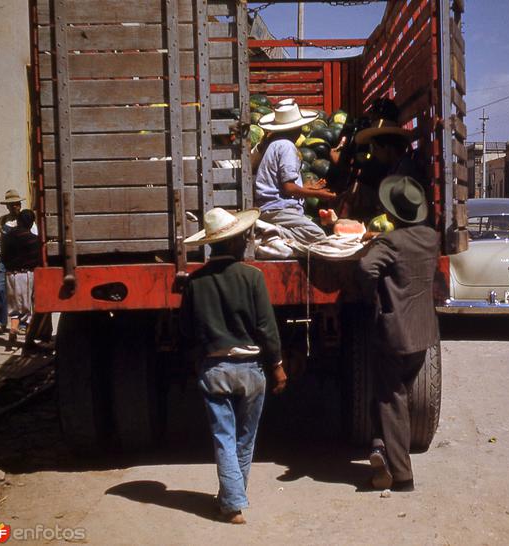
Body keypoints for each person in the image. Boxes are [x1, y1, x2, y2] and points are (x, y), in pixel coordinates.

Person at [181, 207, 288, 524]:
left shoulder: (194, 283)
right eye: (243, 237)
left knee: (223, 437)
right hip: (251, 371)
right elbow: (267, 328)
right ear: (231, 243)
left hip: (214, 370)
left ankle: (232, 501)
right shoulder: (253, 277)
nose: (246, 241)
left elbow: (186, 332)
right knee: (244, 438)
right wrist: (278, 366)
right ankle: (232, 501)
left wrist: (196, 359)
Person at [356, 175, 440, 492]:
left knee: (391, 401)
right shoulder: (430, 238)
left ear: (392, 214)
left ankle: (403, 476)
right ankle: (380, 448)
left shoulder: (390, 243)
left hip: (394, 333)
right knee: (396, 397)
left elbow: (366, 269)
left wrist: (372, 295)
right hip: (422, 333)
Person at [255, 100, 336, 244]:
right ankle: (272, 232)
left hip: (270, 208)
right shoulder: (287, 146)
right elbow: (288, 188)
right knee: (317, 235)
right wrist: (318, 194)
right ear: (296, 128)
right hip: (277, 208)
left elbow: (279, 184)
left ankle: (272, 229)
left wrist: (307, 188)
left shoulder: (275, 143)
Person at [0, 189, 36, 334]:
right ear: (7, 206)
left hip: (21, 262)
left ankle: (22, 324)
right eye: (11, 205)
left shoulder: (26, 220)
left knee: (22, 294)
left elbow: (34, 238)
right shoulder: (2, 221)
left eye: (16, 204)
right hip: (4, 260)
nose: (15, 207)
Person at [0, 209, 41, 347]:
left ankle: (13, 329)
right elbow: (36, 259)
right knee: (27, 309)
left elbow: (3, 257)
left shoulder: (5, 237)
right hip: (25, 275)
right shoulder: (33, 240)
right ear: (31, 223)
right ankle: (29, 341)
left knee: (14, 308)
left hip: (10, 275)